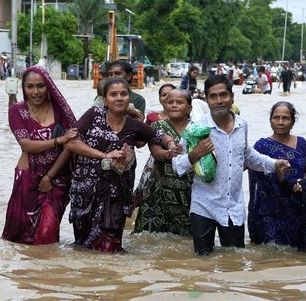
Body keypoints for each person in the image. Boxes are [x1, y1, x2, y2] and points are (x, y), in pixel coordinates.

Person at [172, 75, 291, 256]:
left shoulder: (242, 125)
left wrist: (274, 164)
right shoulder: (195, 128)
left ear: (232, 97)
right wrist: (195, 154)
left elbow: (247, 155)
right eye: (213, 96)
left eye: (223, 95)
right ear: (207, 99)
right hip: (203, 205)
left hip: (232, 207)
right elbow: (177, 165)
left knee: (234, 261)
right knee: (202, 262)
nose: (219, 101)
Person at [66, 77, 180, 253]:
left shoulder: (134, 125)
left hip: (116, 196)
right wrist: (104, 155)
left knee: (110, 248)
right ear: (105, 100)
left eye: (123, 94)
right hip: (86, 193)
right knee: (83, 247)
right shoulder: (93, 115)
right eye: (113, 94)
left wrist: (171, 144)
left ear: (129, 99)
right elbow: (71, 143)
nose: (119, 98)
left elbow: (160, 136)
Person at [2, 65, 79, 245]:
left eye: (41, 86)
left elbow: (72, 144)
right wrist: (58, 140)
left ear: (49, 86)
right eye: (30, 87)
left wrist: (49, 176)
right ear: (24, 88)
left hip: (57, 178)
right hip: (28, 177)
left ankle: (48, 271)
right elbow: (26, 145)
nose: (36, 92)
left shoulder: (60, 110)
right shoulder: (16, 111)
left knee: (47, 231)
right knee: (20, 235)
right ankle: (30, 271)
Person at [247, 101, 306, 247]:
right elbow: (245, 164)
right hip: (267, 210)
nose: (280, 122)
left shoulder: (301, 144)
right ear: (270, 120)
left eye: (285, 118)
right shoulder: (261, 146)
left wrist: (302, 184)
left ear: (293, 122)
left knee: (293, 252)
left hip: (294, 208)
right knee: (268, 253)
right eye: (276, 118)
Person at [134, 89, 194, 235]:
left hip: (188, 190)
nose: (174, 105)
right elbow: (156, 153)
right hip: (159, 188)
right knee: (149, 238)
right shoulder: (157, 127)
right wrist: (170, 153)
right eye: (170, 102)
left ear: (189, 108)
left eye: (179, 102)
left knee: (186, 239)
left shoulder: (197, 129)